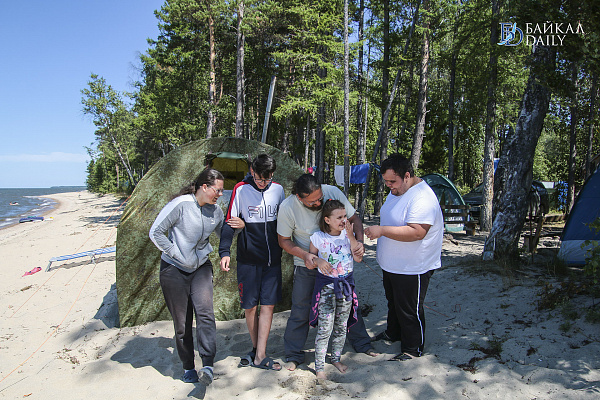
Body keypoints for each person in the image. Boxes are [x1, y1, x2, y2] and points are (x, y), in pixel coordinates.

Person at [277, 173, 377, 371]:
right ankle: (294, 354)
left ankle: (362, 343)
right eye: (313, 201)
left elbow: (354, 219)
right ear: (299, 197)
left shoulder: (331, 191)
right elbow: (284, 241)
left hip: (339, 268)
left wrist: (358, 244)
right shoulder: (288, 207)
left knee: (348, 305)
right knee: (301, 308)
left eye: (320, 198)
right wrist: (306, 256)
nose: (318, 202)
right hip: (308, 264)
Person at [364, 154, 443, 361]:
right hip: (392, 264)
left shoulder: (422, 197)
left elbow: (417, 232)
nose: (389, 186)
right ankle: (393, 333)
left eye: (393, 181)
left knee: (409, 309)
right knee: (393, 303)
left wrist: (381, 230)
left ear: (407, 176)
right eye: (386, 182)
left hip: (413, 266)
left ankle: (412, 348)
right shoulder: (398, 191)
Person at [149, 168, 225, 385]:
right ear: (204, 187)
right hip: (173, 270)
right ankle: (188, 366)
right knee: (182, 323)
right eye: (217, 190)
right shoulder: (181, 205)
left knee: (205, 313)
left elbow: (223, 234)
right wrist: (175, 253)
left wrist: (238, 227)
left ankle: (208, 364)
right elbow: (155, 232)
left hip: (200, 267)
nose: (220, 195)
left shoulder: (215, 211)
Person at [219, 154, 285, 371]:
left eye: (266, 180)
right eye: (258, 179)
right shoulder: (240, 189)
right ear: (251, 171)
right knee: (250, 307)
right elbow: (230, 221)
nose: (262, 183)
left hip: (272, 260)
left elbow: (284, 221)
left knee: (268, 306)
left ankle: (260, 355)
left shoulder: (278, 190)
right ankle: (256, 349)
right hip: (248, 259)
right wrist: (224, 251)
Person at [309, 200, 363, 380]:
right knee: (325, 327)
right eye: (339, 217)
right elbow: (309, 262)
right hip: (326, 288)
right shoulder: (318, 237)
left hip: (346, 288)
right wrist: (317, 261)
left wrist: (351, 236)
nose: (343, 220)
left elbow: (358, 259)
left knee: (341, 325)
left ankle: (336, 358)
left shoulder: (349, 235)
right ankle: (319, 366)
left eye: (345, 216)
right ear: (327, 220)